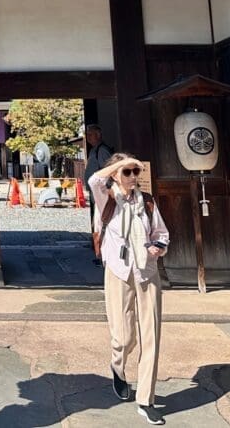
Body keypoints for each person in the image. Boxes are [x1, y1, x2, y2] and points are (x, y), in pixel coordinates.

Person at [89, 153, 169, 425]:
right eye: (128, 172)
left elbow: (161, 233)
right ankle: (118, 365)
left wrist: (159, 246)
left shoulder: (146, 201)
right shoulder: (107, 197)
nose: (133, 176)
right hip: (119, 271)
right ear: (115, 174)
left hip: (147, 270)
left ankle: (146, 399)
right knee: (124, 336)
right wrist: (117, 167)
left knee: (151, 335)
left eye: (136, 171)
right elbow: (93, 179)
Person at [84, 124, 113, 261]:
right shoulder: (94, 150)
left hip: (102, 194)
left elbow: (107, 172)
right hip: (96, 193)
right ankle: (100, 250)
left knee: (102, 221)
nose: (88, 137)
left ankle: (104, 252)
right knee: (97, 222)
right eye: (87, 134)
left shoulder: (101, 151)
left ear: (98, 135)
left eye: (91, 134)